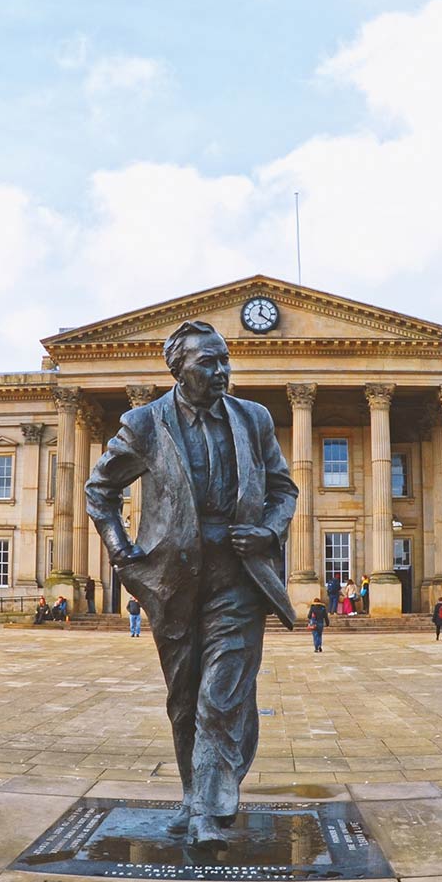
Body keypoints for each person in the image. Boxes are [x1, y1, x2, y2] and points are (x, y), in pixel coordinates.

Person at [85, 320, 298, 848]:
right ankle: (193, 795)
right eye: (210, 362)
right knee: (184, 700)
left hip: (240, 578)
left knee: (219, 697)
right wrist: (122, 553)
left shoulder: (255, 418)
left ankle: (208, 813)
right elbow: (99, 491)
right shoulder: (143, 424)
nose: (222, 370)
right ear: (178, 367)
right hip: (172, 582)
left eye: (225, 359)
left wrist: (269, 530)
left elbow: (282, 488)